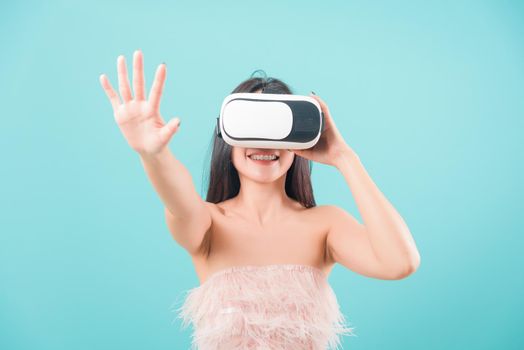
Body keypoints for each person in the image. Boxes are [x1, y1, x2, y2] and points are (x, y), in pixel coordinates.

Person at [99, 50, 421, 350]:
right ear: (226, 134)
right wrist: (153, 154)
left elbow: (400, 262)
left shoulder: (326, 224)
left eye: (277, 128)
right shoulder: (209, 223)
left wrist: (344, 157)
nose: (264, 142)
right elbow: (177, 199)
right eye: (252, 126)